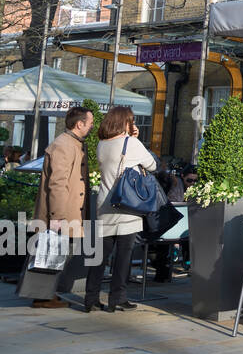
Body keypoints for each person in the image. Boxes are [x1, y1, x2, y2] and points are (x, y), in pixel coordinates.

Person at [90, 106, 157, 313]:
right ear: (125, 122)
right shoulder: (132, 143)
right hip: (127, 205)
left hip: (104, 204)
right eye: (131, 120)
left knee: (100, 256)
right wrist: (135, 139)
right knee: (123, 255)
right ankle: (117, 298)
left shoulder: (102, 144)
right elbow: (152, 165)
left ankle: (90, 298)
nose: (133, 123)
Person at [29, 106, 93, 309]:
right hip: (62, 214)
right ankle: (42, 297)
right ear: (79, 124)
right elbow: (57, 183)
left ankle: (46, 295)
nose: (92, 126)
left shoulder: (71, 143)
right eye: (90, 123)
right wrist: (57, 216)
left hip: (68, 213)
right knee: (53, 255)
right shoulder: (64, 145)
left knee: (58, 255)